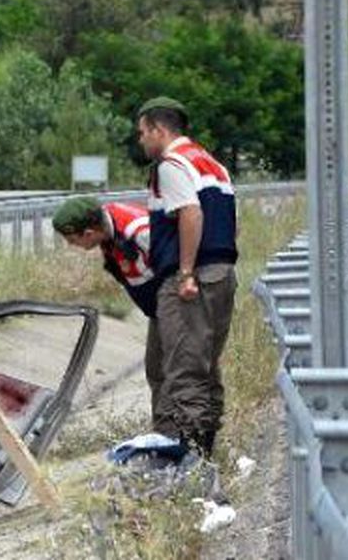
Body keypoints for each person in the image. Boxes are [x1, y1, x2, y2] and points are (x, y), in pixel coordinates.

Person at [136, 96, 238, 457]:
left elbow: (190, 214)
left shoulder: (171, 164)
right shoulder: (212, 164)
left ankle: (189, 459)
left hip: (192, 279)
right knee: (206, 367)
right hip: (223, 274)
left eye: (143, 133)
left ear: (159, 130)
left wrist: (185, 272)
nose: (141, 141)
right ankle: (207, 450)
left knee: (182, 370)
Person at [52, 197, 165, 427]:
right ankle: (164, 432)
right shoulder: (108, 231)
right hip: (158, 311)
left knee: (179, 372)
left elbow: (181, 269)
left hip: (179, 307)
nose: (72, 246)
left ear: (89, 232)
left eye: (73, 240)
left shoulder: (139, 231)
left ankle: (184, 438)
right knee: (156, 370)